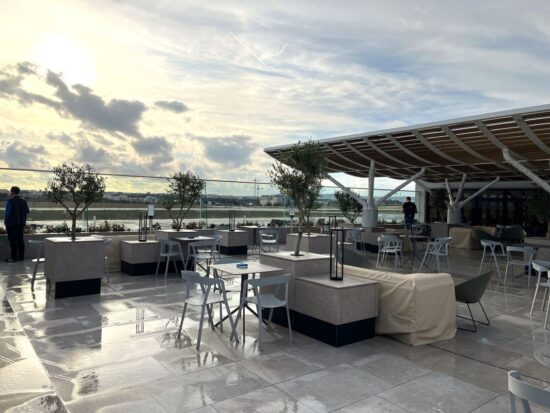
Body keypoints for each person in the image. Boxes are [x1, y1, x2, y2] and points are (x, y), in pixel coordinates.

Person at [4, 186, 29, 262]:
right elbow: (27, 211)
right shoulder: (24, 201)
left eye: (10, 191)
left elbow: (7, 214)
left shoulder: (10, 201)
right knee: (20, 240)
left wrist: (5, 222)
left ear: (12, 192)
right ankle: (21, 257)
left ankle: (13, 257)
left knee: (13, 241)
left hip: (11, 224)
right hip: (21, 224)